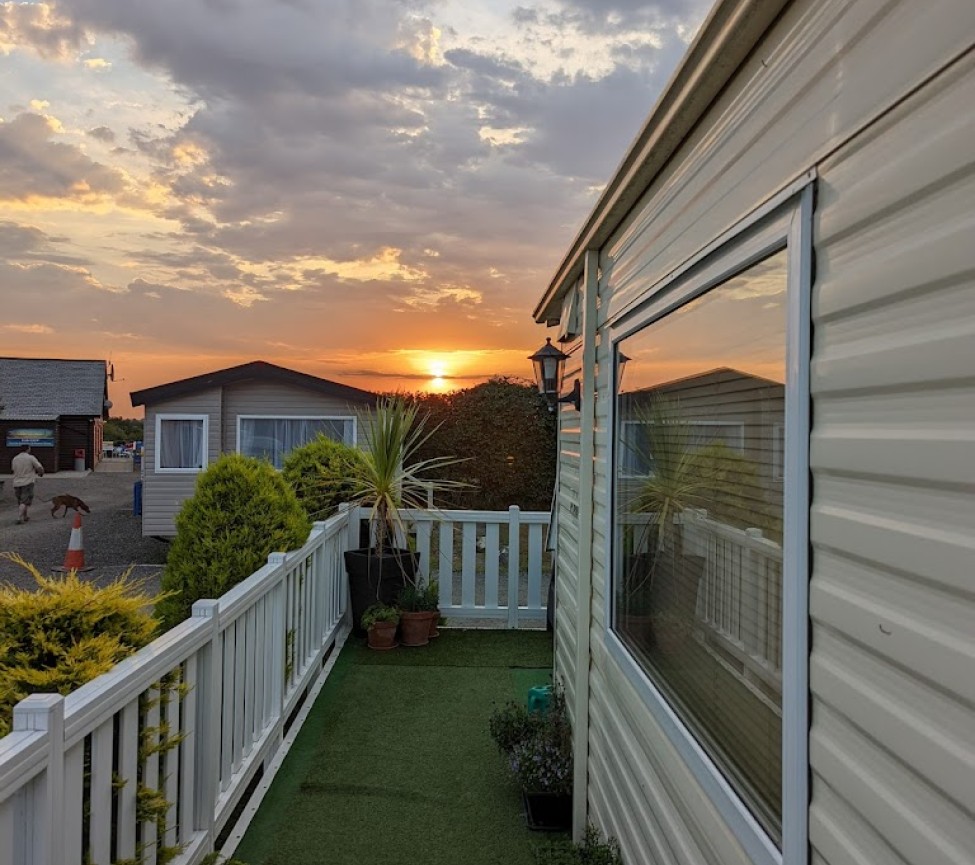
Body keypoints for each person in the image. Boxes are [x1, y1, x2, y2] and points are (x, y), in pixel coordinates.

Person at [11, 443, 44, 524]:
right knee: (24, 501)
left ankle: (25, 516)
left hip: (16, 482)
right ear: (28, 449)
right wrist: (41, 474)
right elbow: (39, 467)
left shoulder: (15, 458)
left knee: (21, 501)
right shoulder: (30, 458)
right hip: (28, 482)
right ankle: (19, 518)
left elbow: (12, 469)